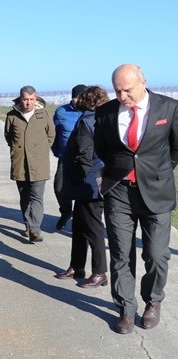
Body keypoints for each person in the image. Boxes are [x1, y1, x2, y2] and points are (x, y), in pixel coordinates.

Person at [93, 64, 178, 334]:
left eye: (127, 90)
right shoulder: (105, 112)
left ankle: (153, 300)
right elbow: (102, 148)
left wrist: (157, 173)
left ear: (143, 82)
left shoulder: (169, 108)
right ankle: (126, 308)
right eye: (117, 91)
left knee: (156, 255)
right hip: (119, 192)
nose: (122, 96)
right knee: (120, 254)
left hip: (157, 192)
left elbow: (175, 149)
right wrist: (121, 171)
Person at [55, 86, 109, 288]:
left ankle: (100, 271)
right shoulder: (97, 118)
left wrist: (76, 178)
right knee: (78, 226)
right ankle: (76, 266)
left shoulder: (88, 121)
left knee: (93, 228)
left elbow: (85, 155)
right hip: (91, 182)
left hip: (88, 183)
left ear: (87, 100)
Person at [4, 85, 55, 243]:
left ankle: (35, 229)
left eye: (31, 99)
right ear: (20, 99)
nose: (28, 103)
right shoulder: (12, 116)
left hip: (39, 163)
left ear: (36, 98)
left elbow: (51, 135)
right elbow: (8, 136)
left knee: (37, 196)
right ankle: (28, 223)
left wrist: (40, 150)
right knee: (24, 196)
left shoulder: (43, 114)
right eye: (25, 99)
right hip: (20, 162)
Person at [52, 84, 86, 230]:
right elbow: (54, 133)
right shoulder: (61, 112)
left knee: (83, 193)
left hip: (85, 160)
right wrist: (56, 150)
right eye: (75, 97)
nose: (77, 101)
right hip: (65, 158)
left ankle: (81, 222)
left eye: (81, 97)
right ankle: (66, 212)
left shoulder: (93, 111)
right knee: (59, 188)